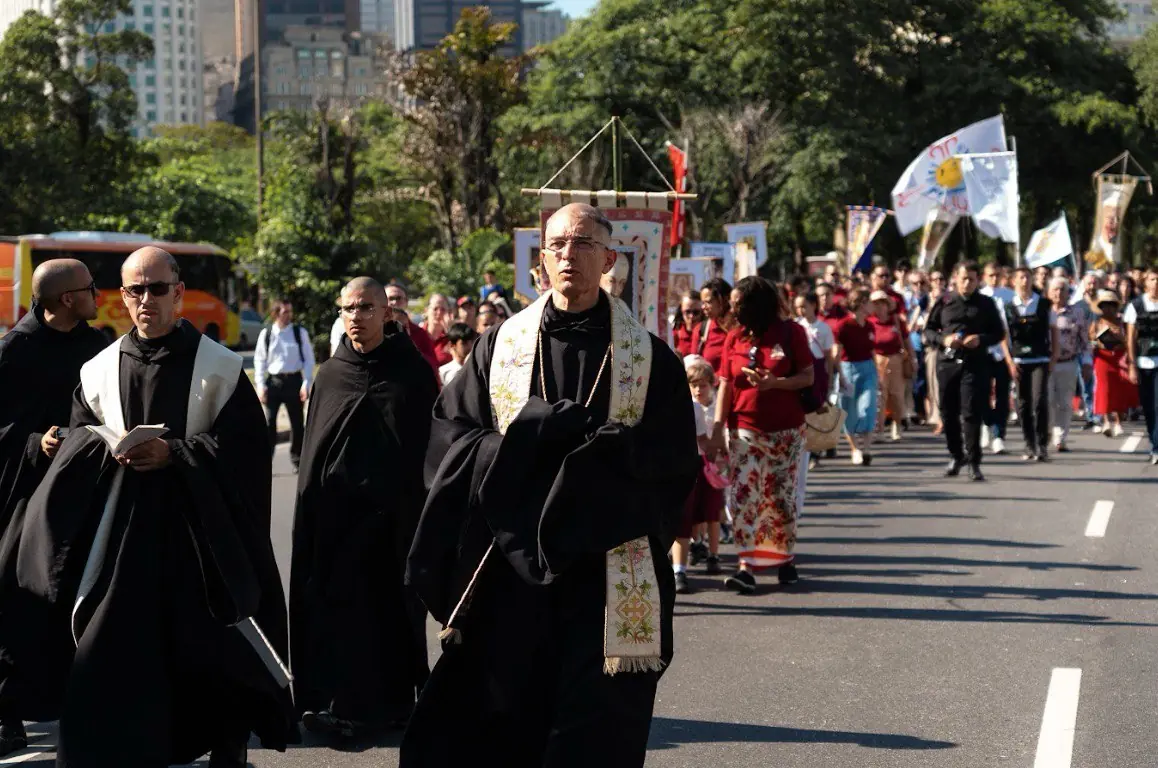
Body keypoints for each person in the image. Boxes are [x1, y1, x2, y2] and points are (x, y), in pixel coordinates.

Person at [402, 203, 698, 767]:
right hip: (513, 563)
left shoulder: (648, 358)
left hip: (605, 563)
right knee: (507, 716)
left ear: (609, 259)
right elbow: (451, 438)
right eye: (557, 245)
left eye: (583, 244)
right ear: (542, 260)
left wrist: (595, 460)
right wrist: (523, 446)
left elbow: (672, 461)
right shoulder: (499, 346)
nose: (569, 255)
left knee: (595, 730)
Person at [6, 246, 294, 767]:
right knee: (112, 650)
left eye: (156, 289)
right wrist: (101, 448)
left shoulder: (220, 368)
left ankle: (225, 747)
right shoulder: (98, 368)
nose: (145, 299)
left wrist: (177, 453)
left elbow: (247, 451)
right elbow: (76, 440)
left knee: (208, 651)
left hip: (197, 538)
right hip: (124, 538)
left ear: (179, 293)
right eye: (133, 290)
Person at [290, 277, 437, 740]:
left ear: (386, 313)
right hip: (340, 523)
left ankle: (396, 707)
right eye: (349, 309)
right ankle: (342, 707)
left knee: (396, 613)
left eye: (367, 308)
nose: (357, 317)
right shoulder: (331, 375)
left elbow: (427, 448)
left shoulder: (411, 372)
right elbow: (315, 453)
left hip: (396, 523)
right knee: (342, 613)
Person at [0, 259, 105, 756]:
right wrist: (31, 441)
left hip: (81, 495)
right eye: (89, 289)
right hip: (21, 498)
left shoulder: (96, 347)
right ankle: (7, 714)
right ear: (66, 299)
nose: (98, 297)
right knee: (17, 599)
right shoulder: (13, 351)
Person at [709, 277, 813, 592]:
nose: (733, 308)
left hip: (786, 432)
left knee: (779, 498)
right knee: (743, 497)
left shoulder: (791, 332)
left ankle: (783, 559)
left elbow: (807, 377)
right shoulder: (734, 338)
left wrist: (775, 383)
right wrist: (717, 429)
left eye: (739, 303)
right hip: (744, 431)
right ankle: (746, 567)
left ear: (758, 304)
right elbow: (726, 384)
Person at [923, 262, 1006, 481]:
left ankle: (974, 461)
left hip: (975, 363)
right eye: (963, 279)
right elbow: (929, 330)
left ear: (978, 280)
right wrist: (944, 339)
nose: (967, 283)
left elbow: (998, 332)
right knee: (948, 413)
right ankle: (956, 455)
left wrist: (980, 339)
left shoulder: (986, 304)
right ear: (955, 279)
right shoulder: (945, 301)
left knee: (971, 412)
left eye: (971, 279)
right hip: (948, 363)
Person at [671, 356, 726, 593]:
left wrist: (717, 454)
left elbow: (703, 439)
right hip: (668, 469)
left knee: (697, 516)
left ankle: (683, 568)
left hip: (692, 465)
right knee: (678, 521)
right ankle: (678, 568)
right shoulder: (656, 404)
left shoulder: (692, 407)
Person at [999, 268, 1059, 462]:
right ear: (1014, 281)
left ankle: (1042, 445)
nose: (1025, 281)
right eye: (1021, 278)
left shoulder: (1043, 304)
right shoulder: (1007, 306)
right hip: (1018, 360)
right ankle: (1029, 444)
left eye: (1027, 277)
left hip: (1040, 359)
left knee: (1040, 400)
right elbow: (1003, 336)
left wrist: (1054, 357)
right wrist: (1008, 360)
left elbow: (1054, 331)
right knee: (1023, 404)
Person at [254, 299, 314, 473]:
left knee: (297, 423)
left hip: (294, 381)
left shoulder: (298, 332)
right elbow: (259, 360)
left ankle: (297, 460)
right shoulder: (266, 334)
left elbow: (309, 360)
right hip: (273, 383)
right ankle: (267, 460)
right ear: (275, 313)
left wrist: (306, 383)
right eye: (284, 312)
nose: (289, 315)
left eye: (290, 311)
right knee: (269, 422)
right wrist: (260, 385)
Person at [835, 289, 879, 465]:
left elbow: (872, 350)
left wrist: (877, 373)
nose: (872, 306)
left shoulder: (869, 325)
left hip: (867, 367)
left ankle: (867, 449)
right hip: (848, 368)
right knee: (849, 411)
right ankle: (855, 449)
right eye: (869, 302)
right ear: (862, 304)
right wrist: (840, 375)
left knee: (868, 407)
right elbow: (836, 353)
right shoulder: (843, 325)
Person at [1049, 278, 1092, 453]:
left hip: (1069, 362)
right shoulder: (1044, 311)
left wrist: (1087, 362)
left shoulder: (1077, 312)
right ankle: (1050, 430)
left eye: (1062, 290)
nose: (1058, 293)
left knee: (1065, 403)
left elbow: (1084, 340)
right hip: (1047, 363)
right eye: (1055, 290)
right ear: (1049, 292)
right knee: (1048, 401)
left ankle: (1061, 437)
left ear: (1068, 293)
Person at [1090, 290, 1138, 438]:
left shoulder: (1122, 322)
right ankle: (1106, 421)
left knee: (1119, 389)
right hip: (1103, 358)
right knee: (1104, 389)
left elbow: (1130, 340)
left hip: (1119, 357)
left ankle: (1118, 421)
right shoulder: (1097, 323)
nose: (1108, 308)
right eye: (1105, 305)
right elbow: (1090, 339)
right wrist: (1097, 340)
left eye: (1111, 305)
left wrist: (1119, 337)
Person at [868, 290, 913, 442]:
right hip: (876, 360)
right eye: (875, 304)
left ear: (888, 305)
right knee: (880, 396)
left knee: (897, 395)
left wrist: (912, 358)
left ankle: (897, 425)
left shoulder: (896, 321)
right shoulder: (869, 322)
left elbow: (907, 341)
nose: (879, 307)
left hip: (896, 360)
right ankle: (879, 430)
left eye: (882, 303)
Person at [980, 263, 1016, 454]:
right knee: (983, 392)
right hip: (985, 351)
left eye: (997, 275)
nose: (994, 279)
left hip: (1005, 352)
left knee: (1003, 395)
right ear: (985, 277)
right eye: (990, 275)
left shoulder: (1009, 295)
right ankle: (986, 424)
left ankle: (999, 435)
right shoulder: (981, 297)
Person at [1125, 266, 1158, 465]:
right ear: (1145, 282)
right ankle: (1153, 440)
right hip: (1144, 362)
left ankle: (1156, 447)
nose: (1156, 283)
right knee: (1149, 407)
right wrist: (1132, 365)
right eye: (1153, 279)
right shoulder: (1135, 306)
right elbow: (1130, 338)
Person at [698, 278, 734, 373]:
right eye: (703, 302)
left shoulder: (744, 330)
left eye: (708, 302)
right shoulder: (702, 329)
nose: (703, 307)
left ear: (725, 299)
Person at [439, 322, 477, 386]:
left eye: (472, 342)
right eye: (464, 343)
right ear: (452, 345)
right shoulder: (444, 372)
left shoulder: (478, 370)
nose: (470, 346)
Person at [422, 293, 453, 366]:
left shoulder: (451, 338)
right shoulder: (416, 334)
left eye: (443, 309)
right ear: (426, 311)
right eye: (435, 309)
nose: (439, 313)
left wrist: (451, 333)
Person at [672, 292, 704, 357]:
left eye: (696, 312)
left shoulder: (708, 333)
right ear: (681, 311)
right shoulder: (675, 335)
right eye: (687, 312)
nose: (691, 316)